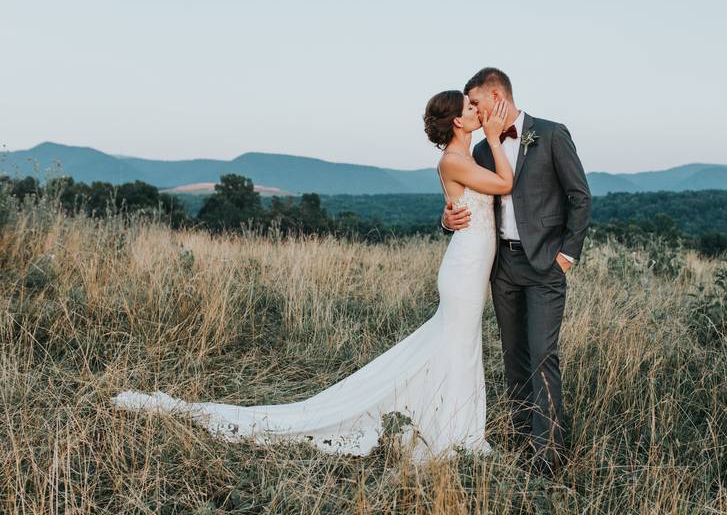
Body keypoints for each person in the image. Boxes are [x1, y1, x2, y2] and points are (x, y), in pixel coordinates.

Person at [111, 89, 515, 464]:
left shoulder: (468, 155)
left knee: (458, 347)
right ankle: (456, 434)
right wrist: (497, 138)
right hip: (463, 267)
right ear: (458, 123)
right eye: (470, 107)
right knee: (458, 345)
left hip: (473, 262)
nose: (478, 110)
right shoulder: (454, 159)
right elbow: (504, 184)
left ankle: (453, 425)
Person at [442, 67, 591, 474]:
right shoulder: (481, 151)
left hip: (545, 265)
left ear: (497, 96)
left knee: (543, 356)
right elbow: (466, 199)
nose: (471, 109)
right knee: (513, 357)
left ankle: (550, 458)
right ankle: (524, 443)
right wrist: (446, 219)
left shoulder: (552, 133)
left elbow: (580, 197)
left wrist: (567, 256)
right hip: (502, 265)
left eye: (475, 102)